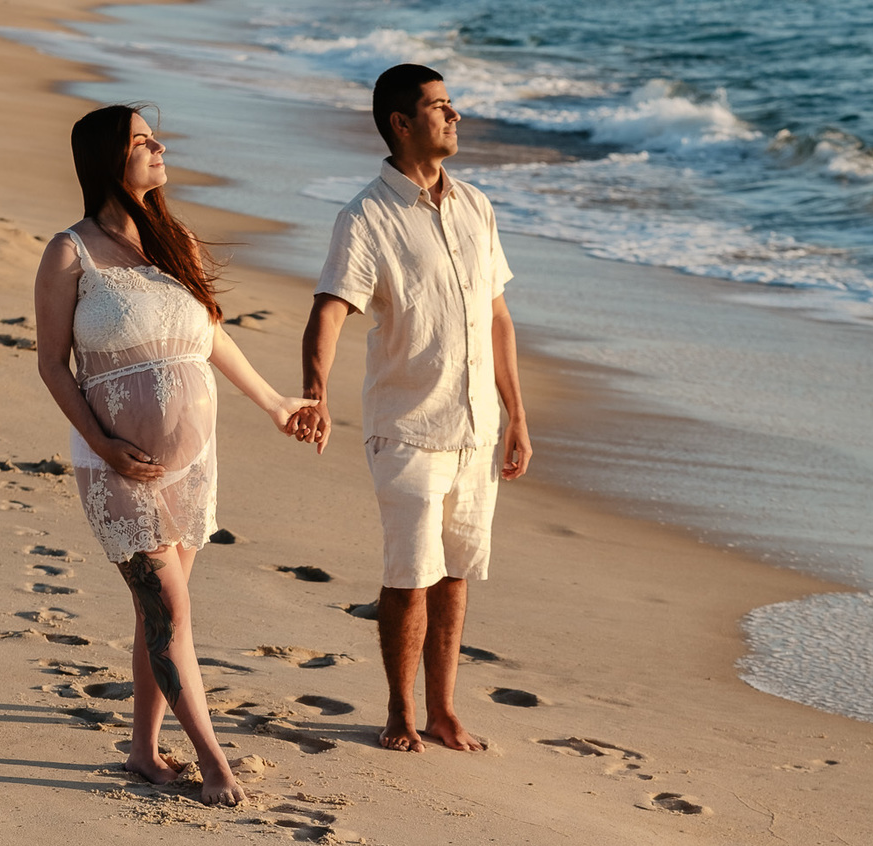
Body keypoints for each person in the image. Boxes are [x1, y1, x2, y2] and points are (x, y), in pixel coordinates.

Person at [34, 105, 315, 805]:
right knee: (170, 615)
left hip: (194, 466)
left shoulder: (173, 239)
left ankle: (141, 748)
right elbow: (52, 365)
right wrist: (102, 443)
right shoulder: (71, 252)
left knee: (158, 614)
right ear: (109, 159)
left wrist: (278, 403)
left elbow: (211, 337)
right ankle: (214, 761)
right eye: (142, 141)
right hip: (118, 466)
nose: (160, 147)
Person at [300, 64, 533, 754]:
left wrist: (515, 414)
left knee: (456, 571)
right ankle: (400, 712)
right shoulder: (366, 217)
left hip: (474, 430)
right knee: (409, 575)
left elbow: (498, 319)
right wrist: (316, 391)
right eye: (439, 107)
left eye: (452, 105)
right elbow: (329, 310)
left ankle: (443, 710)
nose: (454, 117)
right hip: (407, 428)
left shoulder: (475, 206)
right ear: (402, 124)